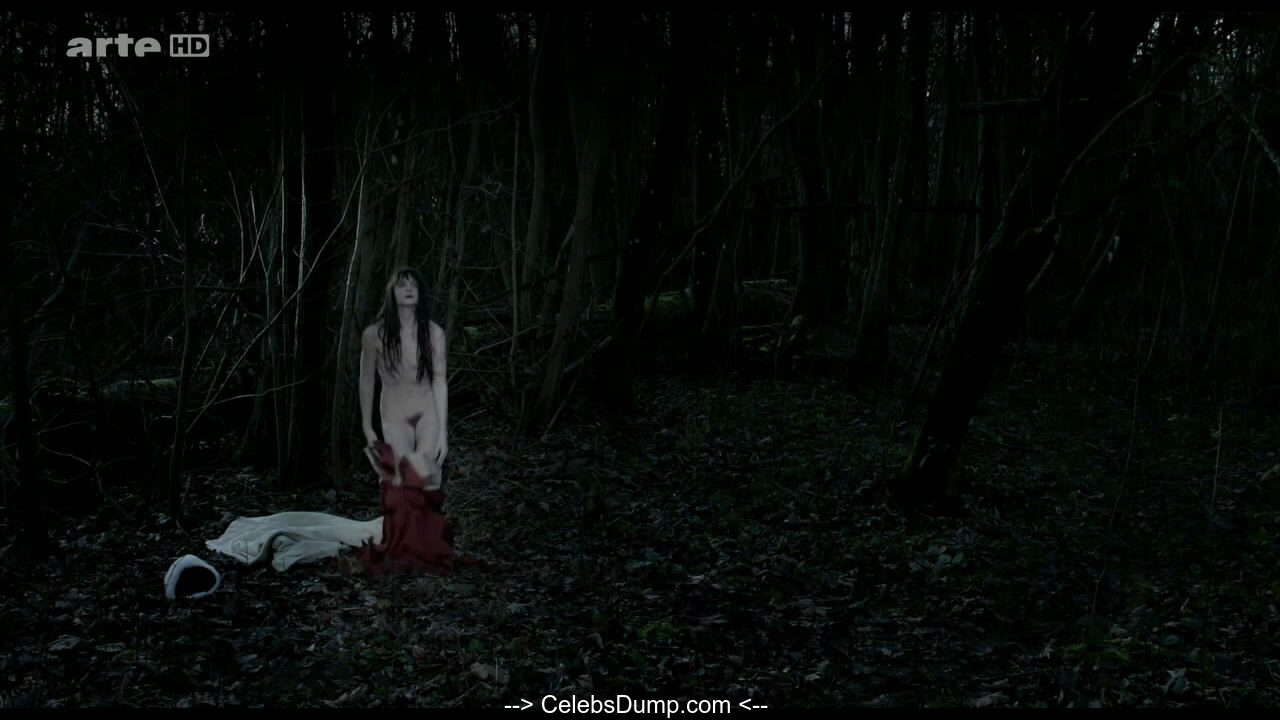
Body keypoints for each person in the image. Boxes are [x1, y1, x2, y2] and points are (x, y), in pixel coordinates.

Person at [359, 267, 448, 488]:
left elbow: (439, 382)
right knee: (401, 479)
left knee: (429, 479)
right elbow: (366, 382)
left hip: (427, 410)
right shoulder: (373, 335)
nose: (409, 289)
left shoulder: (434, 333)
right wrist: (367, 426)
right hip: (394, 413)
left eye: (413, 285)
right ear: (392, 292)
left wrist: (443, 432)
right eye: (402, 285)